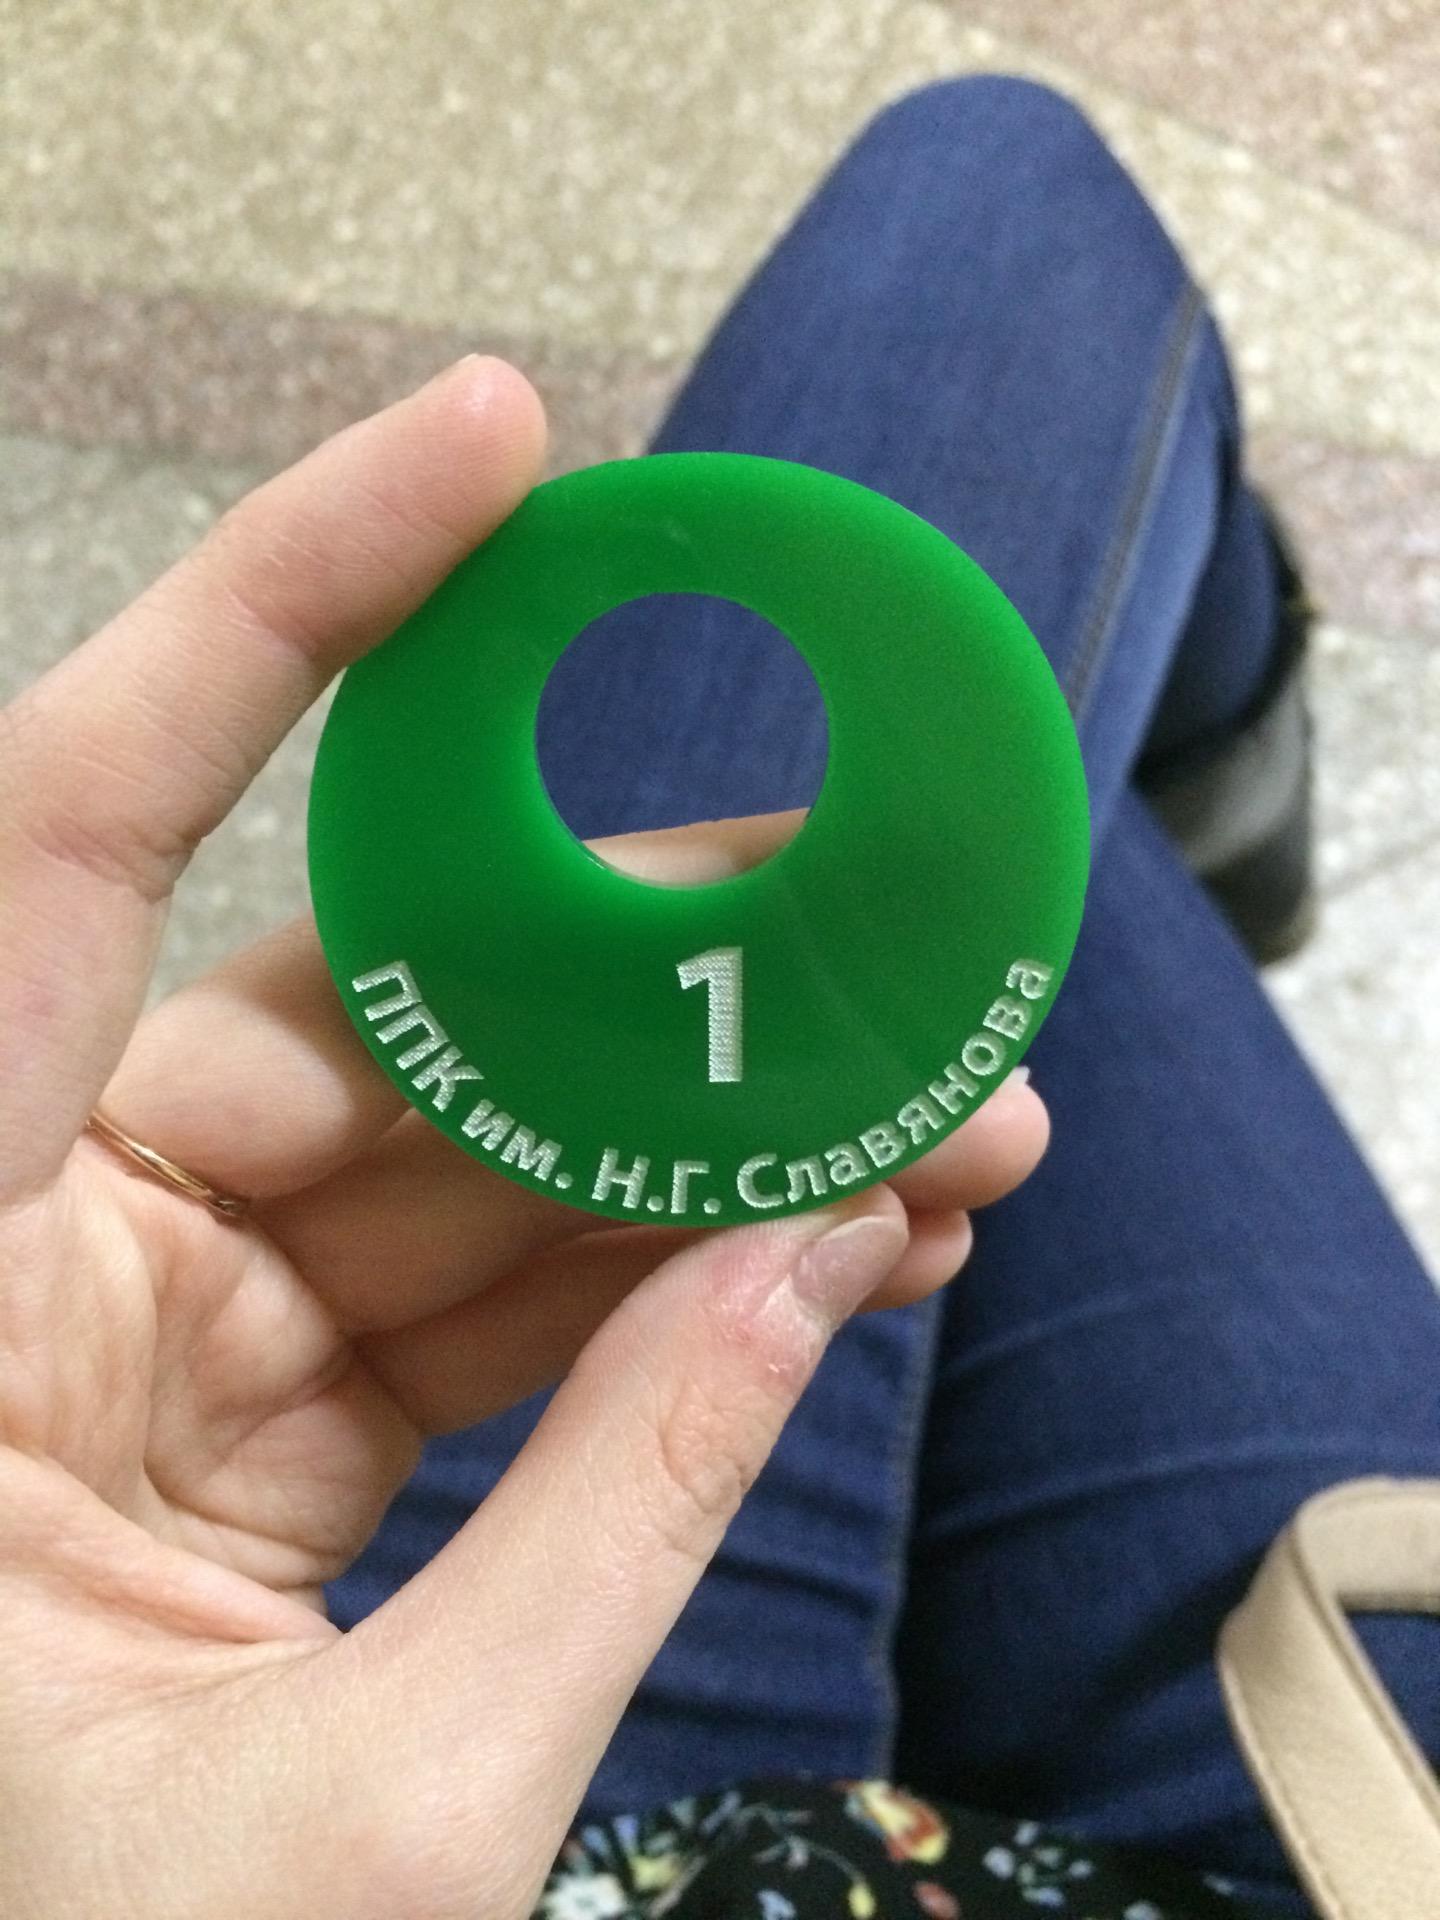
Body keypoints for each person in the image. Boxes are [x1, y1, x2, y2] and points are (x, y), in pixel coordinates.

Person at [0, 74, 1435, 1920]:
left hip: (462, 1809)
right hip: (1327, 1799)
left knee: (1000, 219)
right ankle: (1221, 774)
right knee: (1003, 239)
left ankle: (1209, 763)